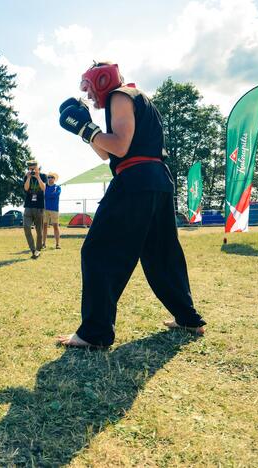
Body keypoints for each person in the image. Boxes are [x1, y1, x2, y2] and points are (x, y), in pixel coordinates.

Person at [56, 61, 206, 349]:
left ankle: (95, 333)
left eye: (86, 84)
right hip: (157, 180)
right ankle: (188, 318)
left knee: (98, 251)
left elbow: (120, 146)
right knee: (161, 254)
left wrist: (88, 130)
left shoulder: (120, 96)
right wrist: (86, 129)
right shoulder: (134, 99)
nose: (85, 92)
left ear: (101, 78)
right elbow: (106, 153)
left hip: (135, 179)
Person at [23, 160, 47, 259]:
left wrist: (37, 177)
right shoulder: (26, 176)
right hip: (28, 206)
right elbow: (26, 188)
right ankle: (33, 249)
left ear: (37, 167)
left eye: (34, 168)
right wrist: (28, 178)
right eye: (30, 168)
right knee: (26, 227)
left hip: (39, 207)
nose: (32, 170)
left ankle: (37, 250)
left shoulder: (43, 176)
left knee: (39, 231)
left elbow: (44, 188)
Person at [42, 172, 62, 249]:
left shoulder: (58, 187)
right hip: (45, 208)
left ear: (54, 179)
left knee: (55, 227)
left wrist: (48, 195)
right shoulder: (44, 186)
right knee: (44, 227)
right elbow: (46, 195)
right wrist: (50, 194)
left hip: (54, 209)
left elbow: (55, 195)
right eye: (49, 177)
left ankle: (57, 244)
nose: (50, 178)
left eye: (52, 177)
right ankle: (43, 244)